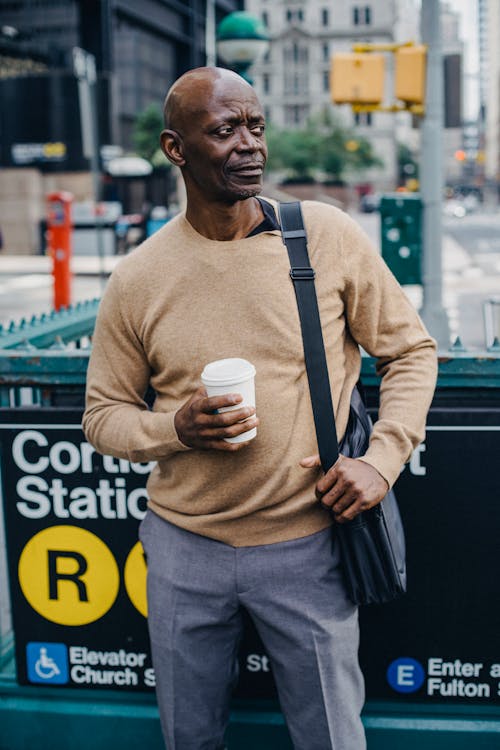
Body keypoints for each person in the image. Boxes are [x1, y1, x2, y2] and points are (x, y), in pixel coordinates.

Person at [83, 67, 437, 750]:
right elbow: (103, 414)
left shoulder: (322, 236)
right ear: (175, 148)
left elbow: (411, 352)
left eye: (256, 127)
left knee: (331, 736)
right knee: (190, 736)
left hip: (308, 542)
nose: (251, 146)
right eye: (224, 130)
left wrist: (384, 459)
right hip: (183, 549)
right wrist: (173, 428)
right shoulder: (138, 279)